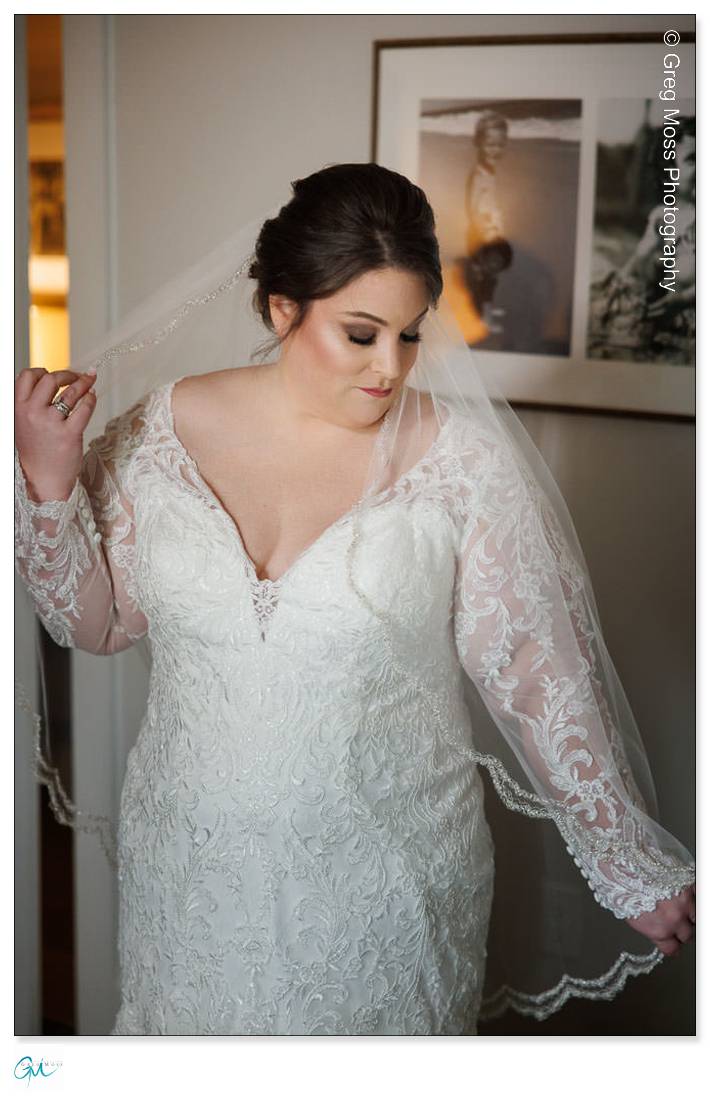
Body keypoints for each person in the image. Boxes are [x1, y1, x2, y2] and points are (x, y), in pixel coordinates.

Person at [14, 163, 695, 1036]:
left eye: (410, 337)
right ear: (281, 310)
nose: (390, 369)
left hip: (388, 888)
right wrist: (48, 481)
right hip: (191, 877)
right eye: (362, 334)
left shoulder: (462, 465)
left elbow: (536, 673)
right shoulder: (157, 433)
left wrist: (628, 860)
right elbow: (97, 623)